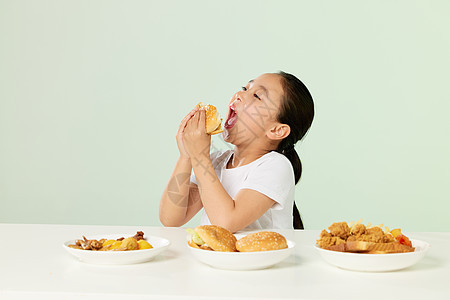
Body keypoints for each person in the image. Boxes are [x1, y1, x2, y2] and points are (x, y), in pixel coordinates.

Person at [159, 71, 314, 232]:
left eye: (257, 96)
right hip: (217, 257)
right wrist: (186, 156)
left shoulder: (276, 166)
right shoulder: (216, 162)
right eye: (245, 88)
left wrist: (200, 156)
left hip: (262, 257)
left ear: (276, 130)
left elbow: (226, 222)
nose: (240, 94)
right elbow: (171, 218)